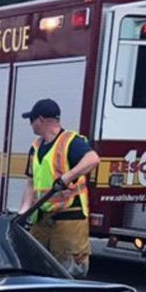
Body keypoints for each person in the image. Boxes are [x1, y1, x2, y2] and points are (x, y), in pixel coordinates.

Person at [18, 98, 100, 277]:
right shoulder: (36, 147)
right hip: (42, 218)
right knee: (35, 267)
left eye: (31, 120)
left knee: (68, 272)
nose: (31, 125)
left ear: (40, 120)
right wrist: (23, 213)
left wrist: (67, 177)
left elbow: (93, 159)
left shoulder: (70, 142)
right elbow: (31, 183)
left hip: (68, 219)